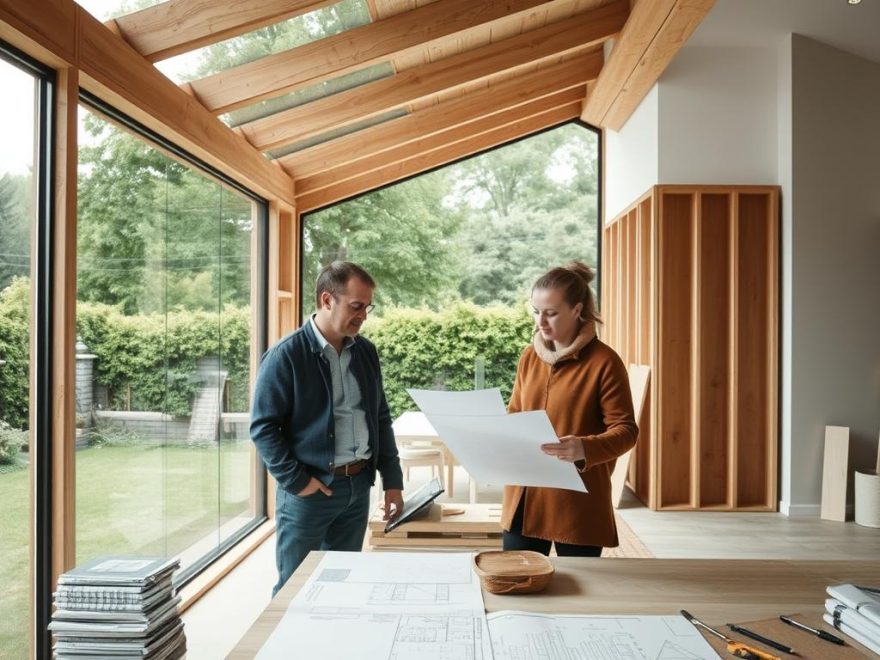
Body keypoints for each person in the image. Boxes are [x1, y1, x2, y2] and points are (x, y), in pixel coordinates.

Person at [250, 261, 404, 595]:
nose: (364, 315)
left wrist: (392, 479)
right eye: (356, 306)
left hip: (358, 487)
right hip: (310, 493)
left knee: (343, 585)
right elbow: (263, 428)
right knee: (295, 589)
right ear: (327, 300)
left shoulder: (365, 352)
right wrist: (297, 481)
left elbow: (378, 415)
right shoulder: (285, 355)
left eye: (368, 307)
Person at [501, 261, 638, 557]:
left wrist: (584, 448)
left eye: (551, 313)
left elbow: (626, 431)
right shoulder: (529, 357)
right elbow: (514, 413)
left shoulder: (605, 362)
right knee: (514, 583)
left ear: (577, 310)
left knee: (580, 595)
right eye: (536, 311)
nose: (541, 322)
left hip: (576, 503)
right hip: (524, 497)